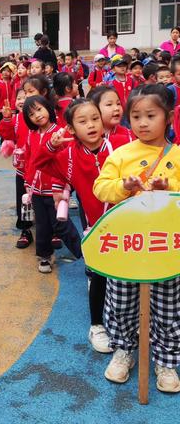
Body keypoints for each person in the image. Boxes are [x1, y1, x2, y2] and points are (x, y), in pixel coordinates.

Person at [93, 87, 180, 392]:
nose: (142, 123)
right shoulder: (121, 154)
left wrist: (168, 186)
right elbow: (100, 188)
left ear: (168, 117)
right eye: (136, 116)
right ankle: (123, 351)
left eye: (150, 116)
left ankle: (167, 361)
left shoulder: (177, 155)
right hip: (126, 245)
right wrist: (122, 186)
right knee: (121, 302)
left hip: (165, 247)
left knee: (168, 306)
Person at [36, 98, 130, 352]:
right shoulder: (68, 154)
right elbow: (39, 163)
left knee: (129, 276)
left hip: (129, 224)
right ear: (71, 129)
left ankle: (131, 326)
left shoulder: (122, 144)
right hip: (96, 227)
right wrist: (51, 145)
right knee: (98, 274)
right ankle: (97, 326)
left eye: (95, 118)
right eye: (82, 121)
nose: (91, 125)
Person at [22, 95, 82, 273]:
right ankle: (45, 256)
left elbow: (65, 162)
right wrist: (27, 180)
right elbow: (29, 160)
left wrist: (61, 186)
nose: (37, 115)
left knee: (62, 225)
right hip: (36, 190)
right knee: (41, 225)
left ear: (48, 108)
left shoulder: (60, 133)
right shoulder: (32, 134)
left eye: (39, 109)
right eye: (32, 114)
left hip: (54, 190)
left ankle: (84, 253)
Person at [0, 88, 33, 248]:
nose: (21, 101)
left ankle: (51, 230)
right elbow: (7, 135)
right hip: (22, 169)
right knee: (23, 199)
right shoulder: (16, 119)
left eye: (26, 97)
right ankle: (25, 230)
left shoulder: (39, 118)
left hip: (41, 169)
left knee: (44, 199)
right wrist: (6, 119)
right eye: (19, 98)